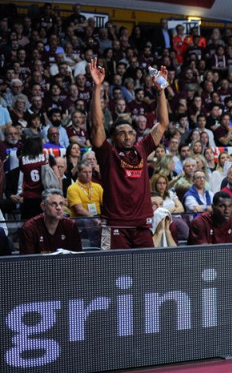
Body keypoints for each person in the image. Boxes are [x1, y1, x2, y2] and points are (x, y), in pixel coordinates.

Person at [89, 57, 170, 249]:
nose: (127, 136)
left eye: (131, 132)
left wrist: (160, 91)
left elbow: (163, 123)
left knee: (145, 272)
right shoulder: (108, 153)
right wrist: (97, 87)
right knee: (113, 273)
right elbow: (96, 124)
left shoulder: (141, 149)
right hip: (115, 224)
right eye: (121, 133)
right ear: (113, 138)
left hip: (142, 224)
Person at [20, 189, 83, 255]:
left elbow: (78, 256)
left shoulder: (70, 225)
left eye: (61, 204)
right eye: (54, 204)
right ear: (43, 206)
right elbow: (27, 262)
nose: (58, 208)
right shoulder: (30, 228)